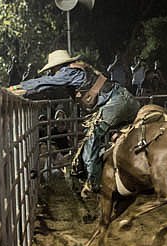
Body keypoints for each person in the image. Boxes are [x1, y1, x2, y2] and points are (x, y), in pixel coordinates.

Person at [8, 50, 140, 196]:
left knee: (91, 142)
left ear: (59, 66)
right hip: (126, 100)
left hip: (115, 104)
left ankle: (95, 185)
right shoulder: (82, 69)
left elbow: (45, 82)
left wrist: (18, 88)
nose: (52, 73)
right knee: (121, 138)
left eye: (53, 69)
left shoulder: (68, 72)